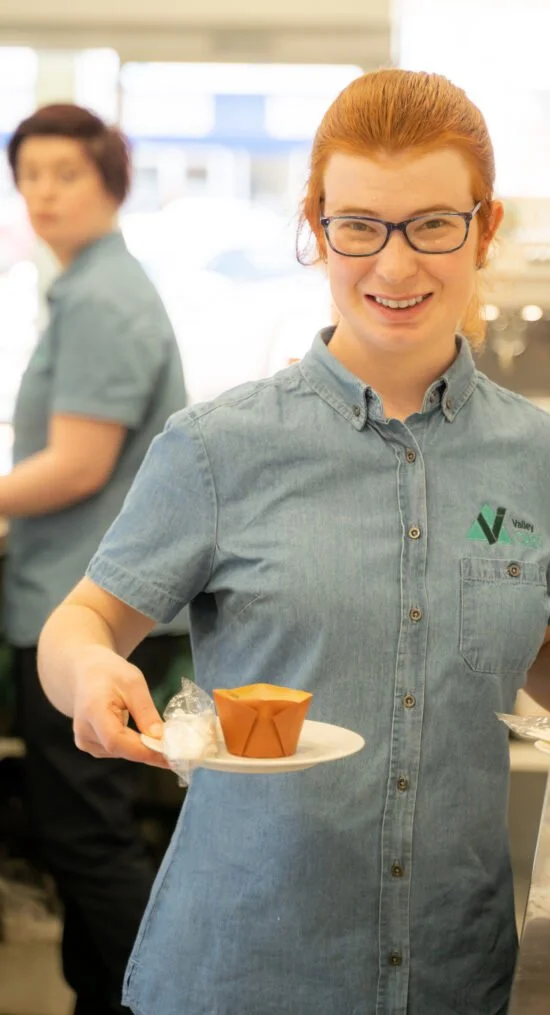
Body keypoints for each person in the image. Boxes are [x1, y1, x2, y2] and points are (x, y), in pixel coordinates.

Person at [36, 71, 550, 1015]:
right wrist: (84, 674)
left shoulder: (537, 455)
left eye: (433, 224)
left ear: (485, 229)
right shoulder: (217, 447)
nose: (395, 266)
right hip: (244, 968)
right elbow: (82, 620)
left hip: (454, 968)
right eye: (360, 225)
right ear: (317, 230)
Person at [1, 104, 187, 1014]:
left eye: (64, 172)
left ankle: (145, 999)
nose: (42, 191)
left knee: (87, 837)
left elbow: (77, 463)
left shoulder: (106, 297)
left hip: (93, 604)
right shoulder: (86, 286)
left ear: (112, 178)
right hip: (76, 593)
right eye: (28, 172)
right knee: (85, 832)